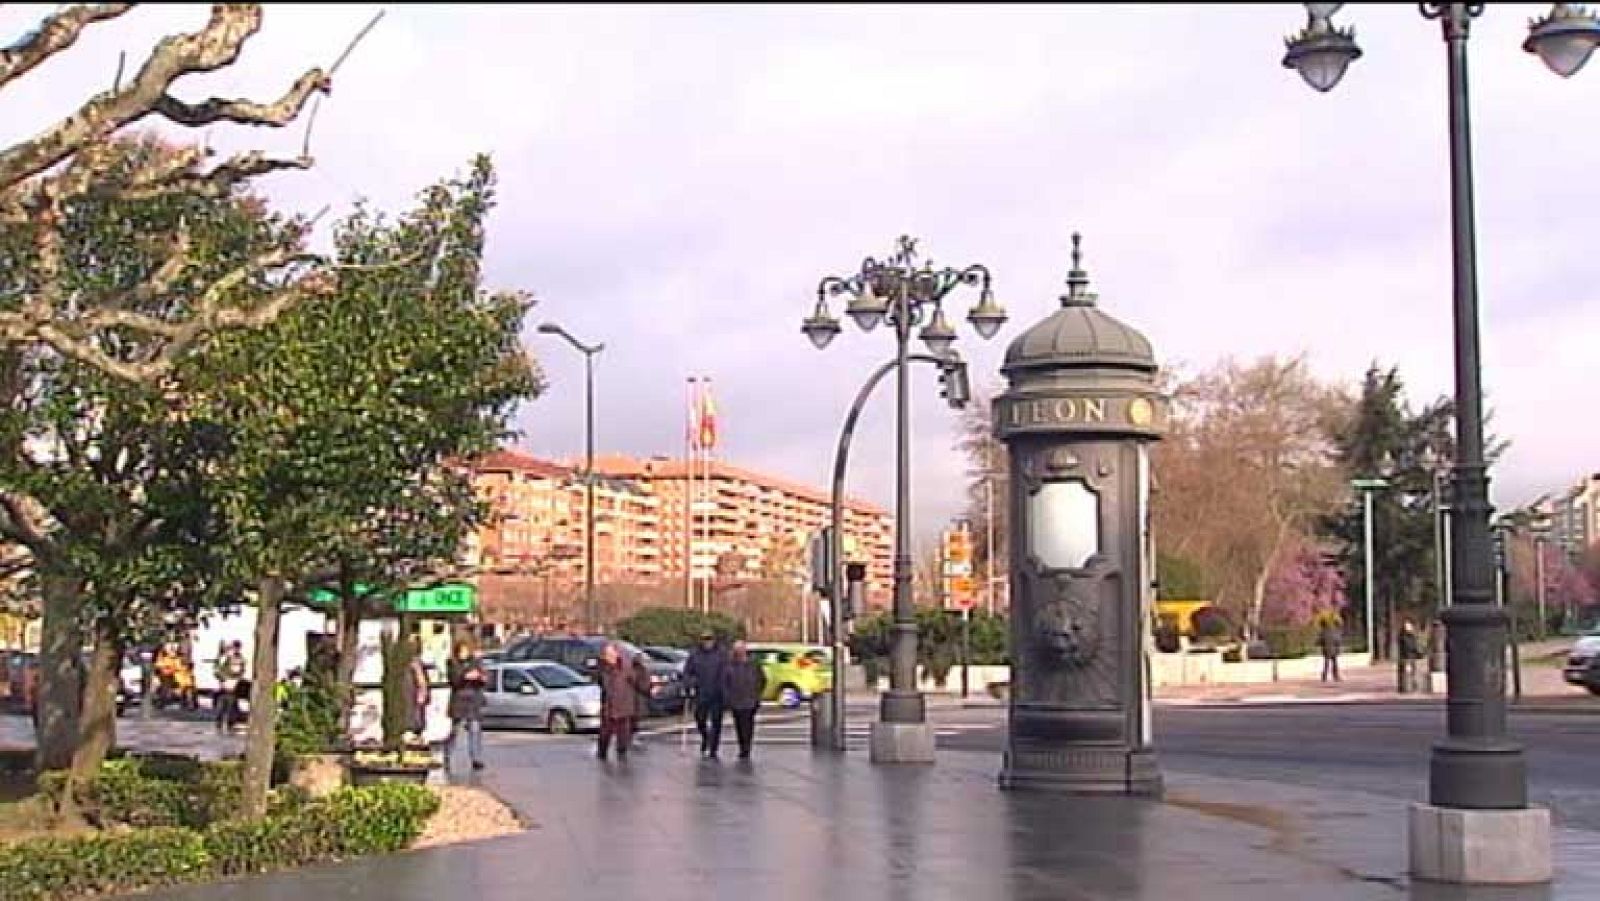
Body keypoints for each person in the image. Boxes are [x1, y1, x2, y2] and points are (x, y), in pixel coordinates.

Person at [596, 643, 647, 761]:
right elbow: (600, 681)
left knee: (623, 739)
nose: (607, 657)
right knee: (604, 736)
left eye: (610, 654)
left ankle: (622, 758)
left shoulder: (626, 668)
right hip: (609, 708)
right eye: (605, 654)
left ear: (616, 653)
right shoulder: (604, 669)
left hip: (624, 707)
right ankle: (602, 756)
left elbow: (641, 684)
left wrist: (640, 668)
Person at [683, 631, 729, 759]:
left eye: (710, 639)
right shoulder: (695, 655)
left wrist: (724, 689)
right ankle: (706, 737)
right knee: (700, 718)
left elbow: (726, 673)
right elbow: (687, 672)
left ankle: (713, 749)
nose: (707, 642)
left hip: (717, 693)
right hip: (701, 692)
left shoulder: (721, 654)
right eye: (705, 639)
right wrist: (689, 684)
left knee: (716, 722)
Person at [445, 640, 487, 771]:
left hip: (473, 700)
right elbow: (455, 680)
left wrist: (480, 677)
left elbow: (484, 678)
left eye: (466, 651)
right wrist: (465, 676)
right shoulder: (453, 663)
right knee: (455, 731)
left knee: (475, 730)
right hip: (459, 700)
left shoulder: (475, 662)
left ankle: (476, 759)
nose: (464, 653)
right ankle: (447, 755)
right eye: (461, 651)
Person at [721, 641, 767, 761]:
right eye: (737, 650)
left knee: (748, 725)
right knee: (739, 726)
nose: (740, 652)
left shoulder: (754, 664)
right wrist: (728, 697)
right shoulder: (730, 665)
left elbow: (762, 679)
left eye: (741, 649)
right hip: (736, 701)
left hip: (750, 700)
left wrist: (757, 694)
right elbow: (724, 682)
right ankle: (742, 746)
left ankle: (746, 748)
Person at [214, 641, 246, 732]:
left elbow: (241, 671)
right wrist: (223, 679)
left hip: (233, 686)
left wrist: (237, 680)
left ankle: (230, 724)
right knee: (220, 708)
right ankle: (218, 724)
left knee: (231, 707)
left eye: (237, 647)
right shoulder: (227, 658)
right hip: (224, 686)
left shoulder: (241, 659)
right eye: (234, 647)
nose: (236, 649)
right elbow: (218, 670)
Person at [405, 637, 431, 739]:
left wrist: (423, 693)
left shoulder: (414, 662)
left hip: (412, 700)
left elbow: (422, 681)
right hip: (411, 700)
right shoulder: (415, 662)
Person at [1319, 617, 1343, 683]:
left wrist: (1323, 646)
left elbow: (1320, 641)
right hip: (1333, 650)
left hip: (1326, 650)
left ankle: (1324, 677)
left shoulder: (1323, 632)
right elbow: (1337, 640)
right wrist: (1338, 648)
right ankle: (1335, 676)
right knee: (1334, 664)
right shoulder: (1334, 631)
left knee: (1327, 664)